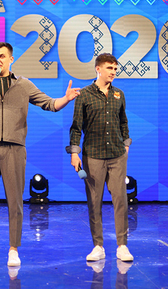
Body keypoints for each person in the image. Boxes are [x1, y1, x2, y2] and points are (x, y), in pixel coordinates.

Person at [0, 42, 80, 267]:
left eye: (2, 56)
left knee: (15, 201)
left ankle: (13, 249)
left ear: (11, 59)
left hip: (15, 149)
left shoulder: (23, 84)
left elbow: (49, 104)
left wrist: (66, 99)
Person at [67, 53, 134, 263]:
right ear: (98, 69)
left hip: (117, 156)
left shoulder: (119, 94)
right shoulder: (84, 95)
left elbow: (123, 122)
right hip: (93, 156)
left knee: (120, 200)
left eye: (115, 68)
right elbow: (76, 127)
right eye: (109, 68)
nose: (113, 72)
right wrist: (75, 153)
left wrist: (126, 145)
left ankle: (122, 245)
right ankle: (98, 246)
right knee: (94, 202)